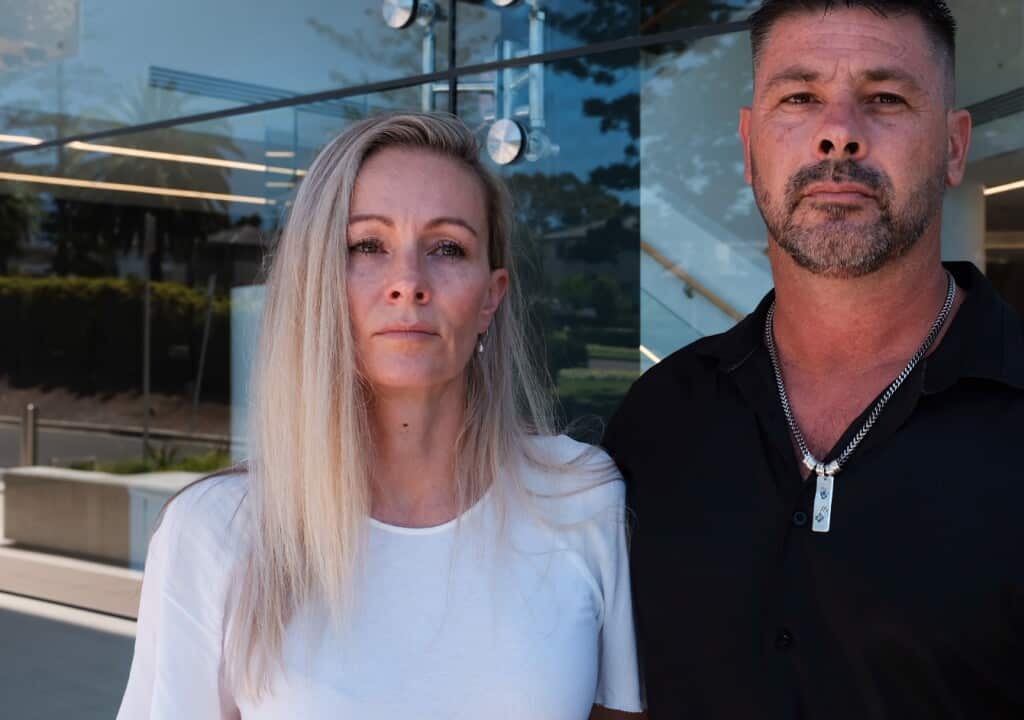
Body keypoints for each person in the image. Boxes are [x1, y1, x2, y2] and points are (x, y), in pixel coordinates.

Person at [602, 1, 1024, 718]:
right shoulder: (658, 424)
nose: (838, 135)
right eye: (800, 97)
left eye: (885, 99)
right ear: (748, 144)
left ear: (953, 146)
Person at [117, 113, 643, 719]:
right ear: (319, 280)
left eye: (447, 248)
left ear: (490, 297)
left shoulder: (580, 497)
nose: (408, 283)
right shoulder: (216, 532)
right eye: (367, 245)